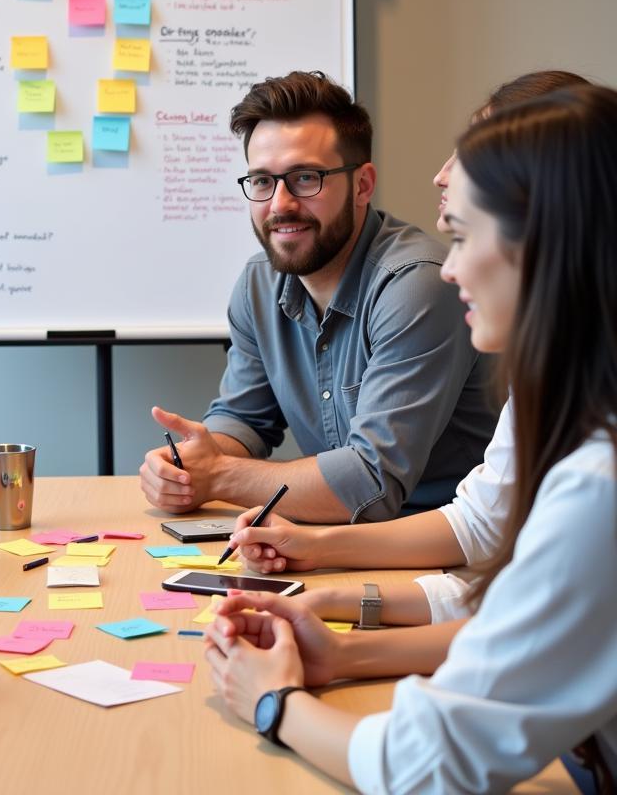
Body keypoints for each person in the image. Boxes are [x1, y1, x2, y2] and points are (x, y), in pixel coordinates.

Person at [204, 85, 617, 792]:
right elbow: (508, 597)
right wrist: (336, 642)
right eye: (262, 182)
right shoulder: (577, 407)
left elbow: (426, 762)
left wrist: (274, 703)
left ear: (542, 243)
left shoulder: (597, 484)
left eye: (463, 236)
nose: (449, 267)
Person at [229, 69, 591, 628]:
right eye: (262, 180)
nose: (441, 174)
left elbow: (535, 647)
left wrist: (288, 702)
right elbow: (479, 530)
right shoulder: (552, 373)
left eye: (305, 177)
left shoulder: (599, 459)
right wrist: (316, 566)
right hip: (439, 568)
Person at [140, 71, 497, 523]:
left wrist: (220, 476)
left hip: (445, 547)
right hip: (332, 542)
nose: (280, 204)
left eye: (305, 178)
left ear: (363, 185)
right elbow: (245, 417)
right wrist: (191, 463)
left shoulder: (417, 285)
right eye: (262, 181)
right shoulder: (258, 284)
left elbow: (370, 481)